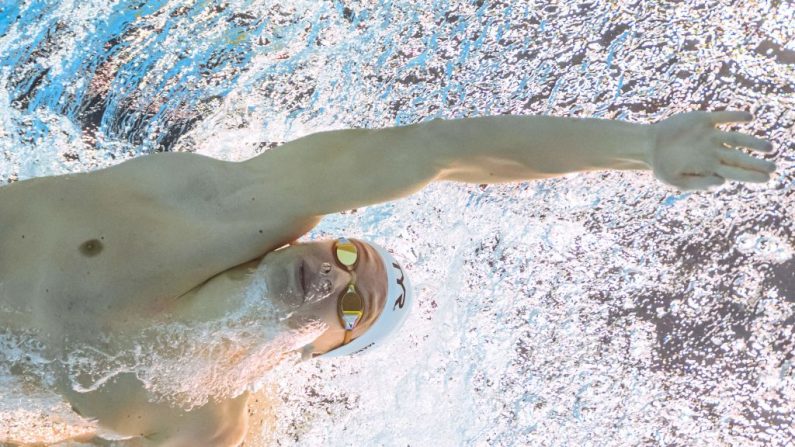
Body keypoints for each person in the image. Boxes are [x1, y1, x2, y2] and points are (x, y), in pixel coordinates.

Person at [0, 110, 776, 446]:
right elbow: (435, 149)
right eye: (346, 259)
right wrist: (638, 148)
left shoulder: (203, 422)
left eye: (350, 306)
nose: (331, 277)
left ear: (319, 349)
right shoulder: (212, 207)